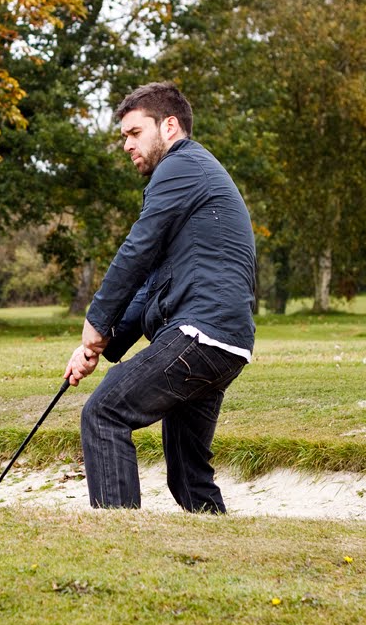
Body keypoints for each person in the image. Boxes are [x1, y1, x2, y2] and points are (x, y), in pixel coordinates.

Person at [64, 81, 256, 513]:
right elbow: (151, 280)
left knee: (105, 414)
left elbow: (136, 249)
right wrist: (102, 345)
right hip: (224, 344)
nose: (127, 146)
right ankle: (221, 560)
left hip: (199, 334)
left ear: (169, 126)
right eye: (124, 138)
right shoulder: (192, 179)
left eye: (134, 133)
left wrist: (93, 325)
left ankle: (120, 549)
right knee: (188, 473)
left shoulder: (181, 167)